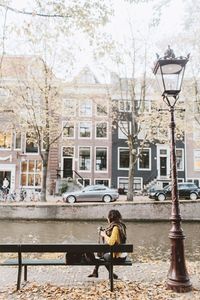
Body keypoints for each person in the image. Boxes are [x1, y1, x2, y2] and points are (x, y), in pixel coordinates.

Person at [88, 209, 127, 279]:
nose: (107, 218)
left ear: (110, 218)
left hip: (118, 257)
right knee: (101, 252)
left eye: (107, 217)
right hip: (121, 254)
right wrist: (104, 232)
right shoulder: (121, 226)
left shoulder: (115, 228)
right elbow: (114, 238)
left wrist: (104, 235)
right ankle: (96, 272)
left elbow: (111, 242)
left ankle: (108, 273)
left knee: (101, 255)